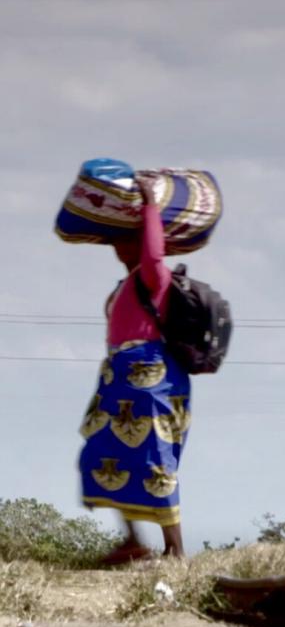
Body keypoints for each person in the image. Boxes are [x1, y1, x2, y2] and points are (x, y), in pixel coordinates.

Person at [79, 176, 190, 562]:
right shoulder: (126, 284)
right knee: (106, 453)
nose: (117, 246)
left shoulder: (153, 277)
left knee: (154, 460)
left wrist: (149, 206)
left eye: (125, 239)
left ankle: (175, 549)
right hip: (120, 379)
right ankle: (133, 542)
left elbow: (155, 255)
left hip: (149, 381)